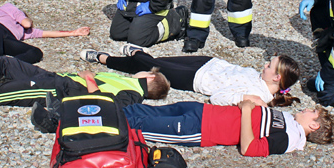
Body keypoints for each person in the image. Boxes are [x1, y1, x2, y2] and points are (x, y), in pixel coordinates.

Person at [80, 45, 301, 107]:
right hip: (208, 63)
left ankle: (103, 58)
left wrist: (242, 100)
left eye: (269, 66)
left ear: (277, 78)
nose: (264, 65)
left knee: (148, 65)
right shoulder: (261, 81)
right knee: (159, 61)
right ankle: (139, 54)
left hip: (195, 78)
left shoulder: (256, 95)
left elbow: (217, 99)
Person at [0, 57, 169, 110]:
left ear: (150, 78)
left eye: (146, 72)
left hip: (56, 90)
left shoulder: (133, 95)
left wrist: (89, 79)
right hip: (55, 78)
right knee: (6, 64)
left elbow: (106, 104)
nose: (141, 72)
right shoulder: (128, 83)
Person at [123, 99, 334, 157]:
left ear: (313, 125)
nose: (307, 109)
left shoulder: (290, 138)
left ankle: (97, 123)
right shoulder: (288, 119)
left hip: (200, 128)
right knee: (146, 111)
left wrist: (245, 111)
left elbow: (250, 148)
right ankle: (103, 108)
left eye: (312, 111)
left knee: (140, 124)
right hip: (205, 112)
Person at [0, 2, 90, 67]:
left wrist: (74, 32)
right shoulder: (9, 9)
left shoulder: (22, 31)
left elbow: (45, 33)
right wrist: (26, 20)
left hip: (8, 37)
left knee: (35, 52)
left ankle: (4, 67)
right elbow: (27, 23)